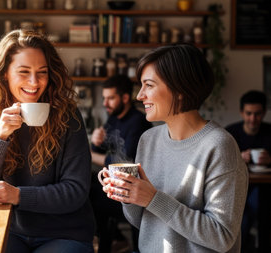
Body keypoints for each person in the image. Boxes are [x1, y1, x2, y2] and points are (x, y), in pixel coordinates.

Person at [101, 44, 248, 252]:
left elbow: (222, 237)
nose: (139, 95)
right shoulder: (148, 140)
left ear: (179, 90)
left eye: (149, 85)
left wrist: (153, 198)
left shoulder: (219, 146)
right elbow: (143, 222)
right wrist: (129, 195)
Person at [0, 29, 95, 253]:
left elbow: (76, 190)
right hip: (5, 229)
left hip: (64, 233)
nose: (34, 82)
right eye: (24, 72)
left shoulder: (68, 117)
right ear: (4, 73)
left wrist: (18, 195)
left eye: (42, 72)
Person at [89, 74, 151, 253]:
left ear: (125, 98)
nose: (105, 103)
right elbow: (100, 151)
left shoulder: (138, 122)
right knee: (85, 187)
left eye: (110, 98)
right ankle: (113, 241)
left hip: (135, 191)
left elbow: (125, 163)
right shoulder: (113, 118)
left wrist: (91, 154)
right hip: (119, 187)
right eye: (104, 98)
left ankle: (114, 241)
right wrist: (96, 141)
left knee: (90, 197)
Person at [225, 90, 271, 253]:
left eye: (258, 114)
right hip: (237, 188)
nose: (253, 119)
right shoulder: (230, 133)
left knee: (263, 208)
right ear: (241, 112)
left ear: (264, 112)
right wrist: (237, 157)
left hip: (265, 188)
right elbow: (220, 163)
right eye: (249, 113)